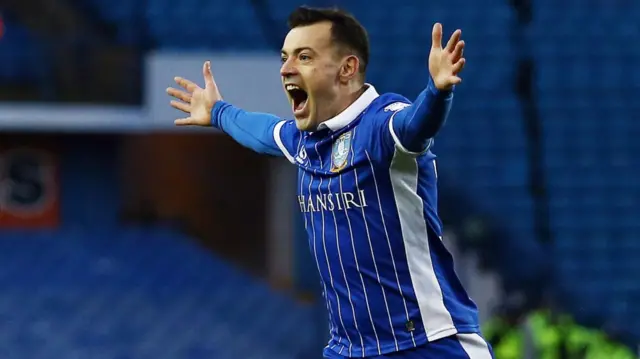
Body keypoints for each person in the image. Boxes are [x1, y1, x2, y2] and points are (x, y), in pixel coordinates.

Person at [167, 6, 493, 359]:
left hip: (428, 343)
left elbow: (415, 126)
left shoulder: (380, 125)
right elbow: (262, 132)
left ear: (347, 69)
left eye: (304, 57)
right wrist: (218, 112)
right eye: (284, 57)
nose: (286, 68)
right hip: (349, 349)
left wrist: (437, 92)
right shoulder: (306, 141)